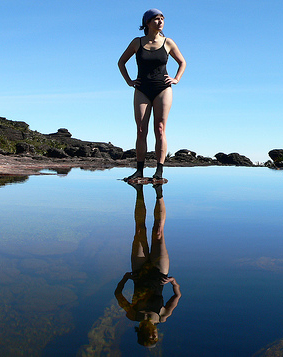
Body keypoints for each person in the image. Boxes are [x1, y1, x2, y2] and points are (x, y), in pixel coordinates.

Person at [118, 8, 186, 181]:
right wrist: (129, 81)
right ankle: (139, 170)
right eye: (156, 19)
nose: (160, 21)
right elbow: (121, 62)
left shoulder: (168, 42)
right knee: (141, 130)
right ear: (147, 22)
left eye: (162, 18)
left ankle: (159, 171)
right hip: (142, 89)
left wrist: (176, 79)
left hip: (163, 89)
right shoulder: (137, 42)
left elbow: (182, 62)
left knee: (160, 129)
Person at [114, 183, 181, 347]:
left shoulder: (132, 315)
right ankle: (159, 193)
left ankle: (139, 192)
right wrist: (173, 282)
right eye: (155, 337)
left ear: (142, 334)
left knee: (139, 230)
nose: (153, 334)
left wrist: (125, 278)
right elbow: (177, 296)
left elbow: (118, 295)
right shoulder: (163, 316)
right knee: (158, 232)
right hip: (160, 273)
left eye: (150, 337)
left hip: (139, 272)